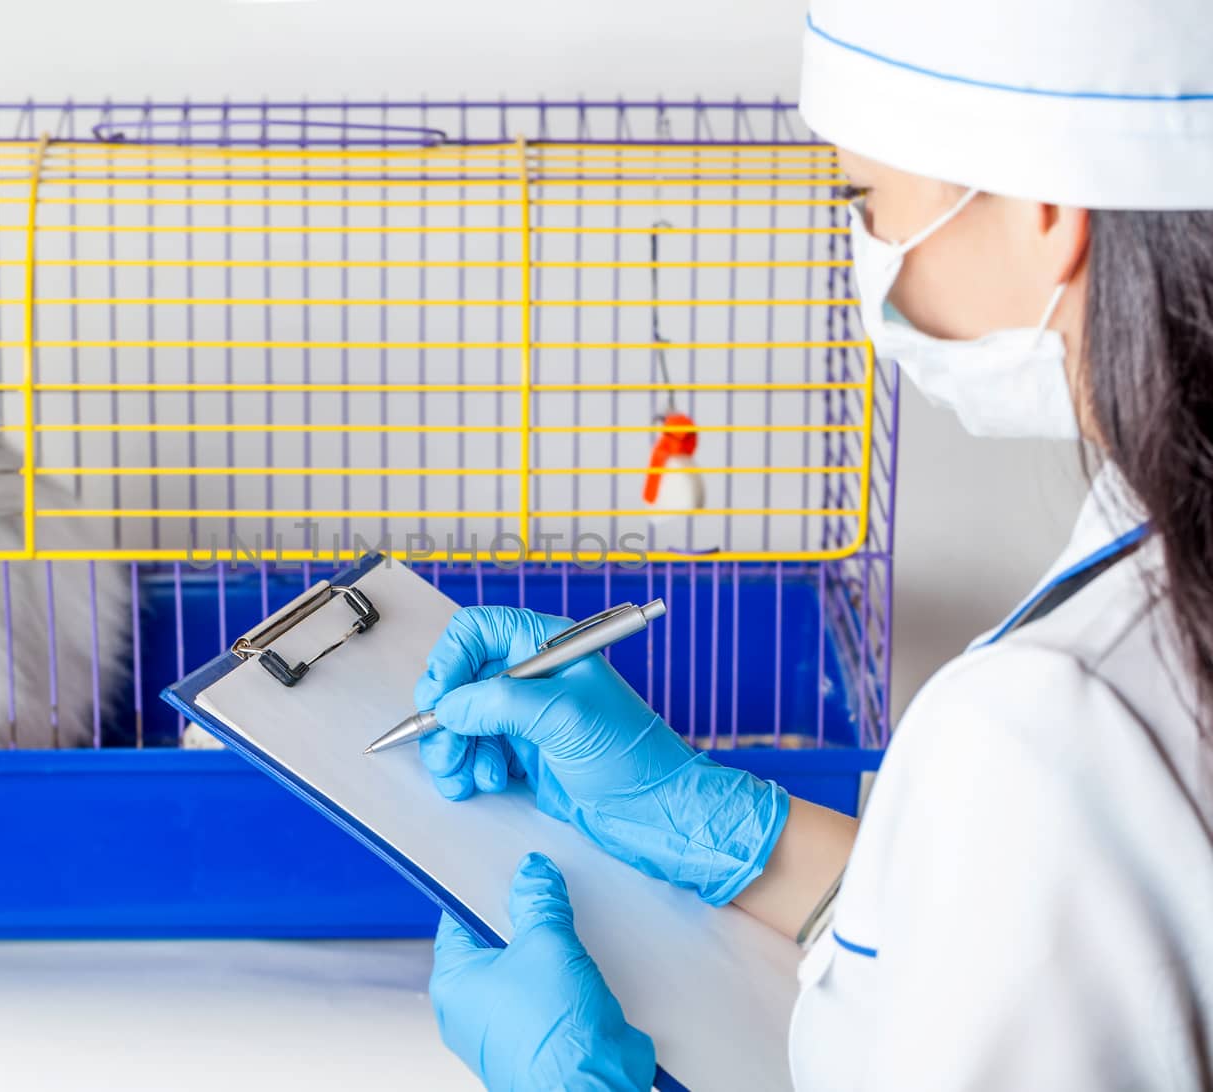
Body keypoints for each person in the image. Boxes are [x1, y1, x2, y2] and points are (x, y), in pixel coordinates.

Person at [416, 0, 1213, 1087]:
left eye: (867, 203)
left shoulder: (1043, 725)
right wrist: (715, 822)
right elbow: (1010, 933)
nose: (866, 258)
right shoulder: (1151, 552)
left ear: (1044, 208)